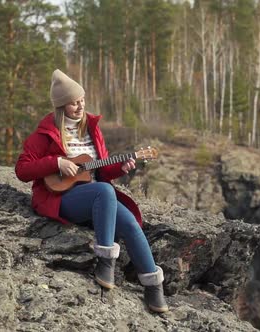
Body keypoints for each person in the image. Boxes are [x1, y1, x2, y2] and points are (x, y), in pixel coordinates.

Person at [15, 69, 168, 313]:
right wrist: (56, 163)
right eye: (73, 103)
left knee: (129, 222)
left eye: (82, 101)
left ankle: (153, 286)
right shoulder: (45, 135)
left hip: (94, 196)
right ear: (61, 106)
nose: (79, 106)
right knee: (104, 192)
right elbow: (22, 170)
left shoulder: (92, 130)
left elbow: (100, 172)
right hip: (61, 197)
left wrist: (121, 167)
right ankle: (106, 259)